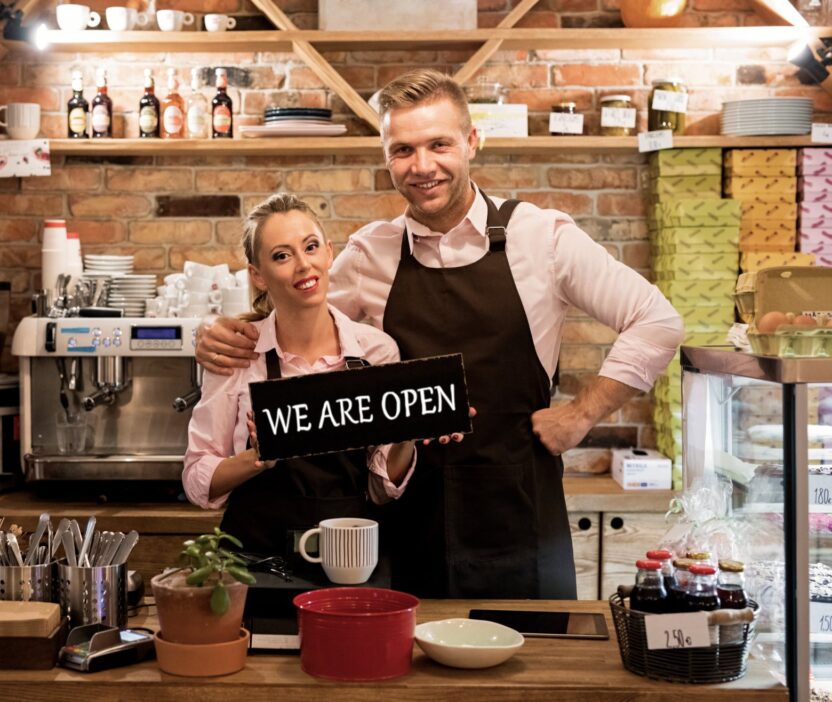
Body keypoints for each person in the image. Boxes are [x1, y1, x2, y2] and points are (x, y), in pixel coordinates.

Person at [194, 70, 684, 598]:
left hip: (519, 516)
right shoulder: (369, 254)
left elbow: (657, 321)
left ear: (472, 142)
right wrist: (216, 333)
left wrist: (581, 413)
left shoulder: (542, 237)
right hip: (408, 523)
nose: (422, 166)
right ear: (386, 158)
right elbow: (293, 323)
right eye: (403, 149)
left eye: (439, 144)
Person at [183, 193, 417, 558]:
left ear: (328, 252)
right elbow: (199, 482)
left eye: (310, 247)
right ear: (258, 276)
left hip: (349, 562)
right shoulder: (240, 354)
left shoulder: (376, 352)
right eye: (281, 255)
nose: (303, 265)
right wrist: (259, 457)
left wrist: (407, 437)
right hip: (255, 567)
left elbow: (380, 489)